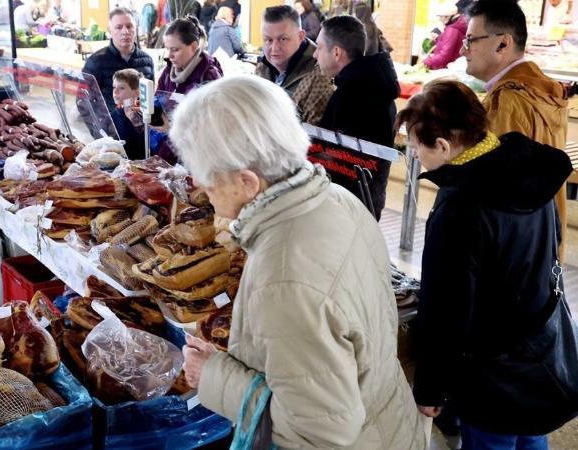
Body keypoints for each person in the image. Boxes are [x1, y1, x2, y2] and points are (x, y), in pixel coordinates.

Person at [173, 75, 427, 450]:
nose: (201, 186)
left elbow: (320, 432)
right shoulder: (336, 198)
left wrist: (212, 375)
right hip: (387, 421)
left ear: (246, 182)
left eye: (207, 178)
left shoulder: (284, 277)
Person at [397, 79, 574, 450]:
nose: (414, 156)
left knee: (491, 440)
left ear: (443, 146)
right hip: (537, 343)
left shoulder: (459, 206)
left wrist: (430, 388)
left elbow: (447, 309)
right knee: (531, 434)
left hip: (490, 368)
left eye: (414, 146)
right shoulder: (529, 167)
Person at [462, 0, 569, 257]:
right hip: (540, 241)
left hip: (507, 253)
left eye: (470, 40)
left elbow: (494, 192)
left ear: (503, 43)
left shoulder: (508, 100)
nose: (463, 49)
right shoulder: (543, 90)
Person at [314, 15, 399, 220]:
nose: (315, 55)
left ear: (336, 52)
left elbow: (340, 161)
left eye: (319, 47)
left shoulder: (354, 94)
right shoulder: (373, 84)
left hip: (347, 208)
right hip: (366, 202)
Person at [153, 16, 223, 163]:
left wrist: (172, 129)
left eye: (175, 50)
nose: (169, 55)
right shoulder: (168, 71)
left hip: (197, 159)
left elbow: (212, 128)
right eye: (167, 49)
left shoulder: (209, 77)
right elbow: (158, 101)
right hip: (168, 152)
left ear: (193, 46)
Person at [255, 5, 332, 125]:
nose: (274, 48)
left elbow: (313, 137)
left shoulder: (319, 75)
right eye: (268, 40)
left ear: (301, 36)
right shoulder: (261, 68)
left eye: (283, 39)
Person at [83, 7, 155, 111]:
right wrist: (103, 126)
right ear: (110, 31)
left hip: (140, 125)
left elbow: (150, 98)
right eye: (119, 27)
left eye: (129, 26)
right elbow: (84, 102)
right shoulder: (96, 62)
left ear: (136, 28)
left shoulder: (147, 61)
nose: (125, 31)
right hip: (110, 125)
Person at [110, 69, 146, 160]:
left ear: (137, 92)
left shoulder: (145, 115)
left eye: (121, 88)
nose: (115, 92)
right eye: (114, 87)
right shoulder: (114, 114)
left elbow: (145, 146)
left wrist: (134, 120)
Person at [422, 1, 466, 70]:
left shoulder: (452, 31)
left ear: (447, 17)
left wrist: (426, 61)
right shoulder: (453, 28)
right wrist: (437, 39)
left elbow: (444, 56)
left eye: (440, 17)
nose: (439, 19)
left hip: (445, 69)